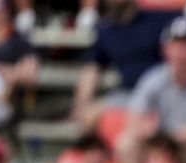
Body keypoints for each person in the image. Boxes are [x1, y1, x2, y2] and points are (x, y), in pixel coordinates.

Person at [72, 0, 180, 129]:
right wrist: (81, 106)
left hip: (161, 93)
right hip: (129, 94)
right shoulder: (106, 31)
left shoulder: (158, 19)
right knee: (89, 116)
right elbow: (91, 67)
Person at [118, 16, 186, 163]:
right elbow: (133, 117)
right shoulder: (154, 78)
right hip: (161, 141)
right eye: (176, 44)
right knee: (127, 143)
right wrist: (147, 129)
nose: (181, 50)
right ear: (166, 49)